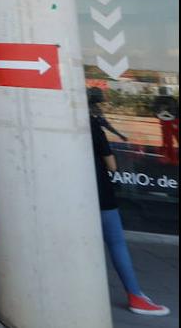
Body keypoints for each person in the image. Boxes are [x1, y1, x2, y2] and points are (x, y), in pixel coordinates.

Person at [88, 88, 170, 316]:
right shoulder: (93, 125)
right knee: (116, 243)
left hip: (74, 193)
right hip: (101, 193)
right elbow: (112, 165)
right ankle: (135, 294)